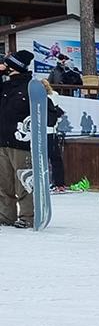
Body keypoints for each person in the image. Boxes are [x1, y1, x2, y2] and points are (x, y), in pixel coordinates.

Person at [0, 50, 35, 227]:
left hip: (21, 142)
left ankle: (27, 216)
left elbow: (50, 112)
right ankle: (6, 215)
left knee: (23, 180)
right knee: (4, 182)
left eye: (7, 64)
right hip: (2, 140)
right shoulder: (5, 86)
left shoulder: (31, 87)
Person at [38, 79, 66, 192]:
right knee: (53, 159)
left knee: (53, 158)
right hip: (46, 131)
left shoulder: (53, 96)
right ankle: (58, 183)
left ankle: (58, 183)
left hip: (49, 131)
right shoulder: (51, 97)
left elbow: (57, 113)